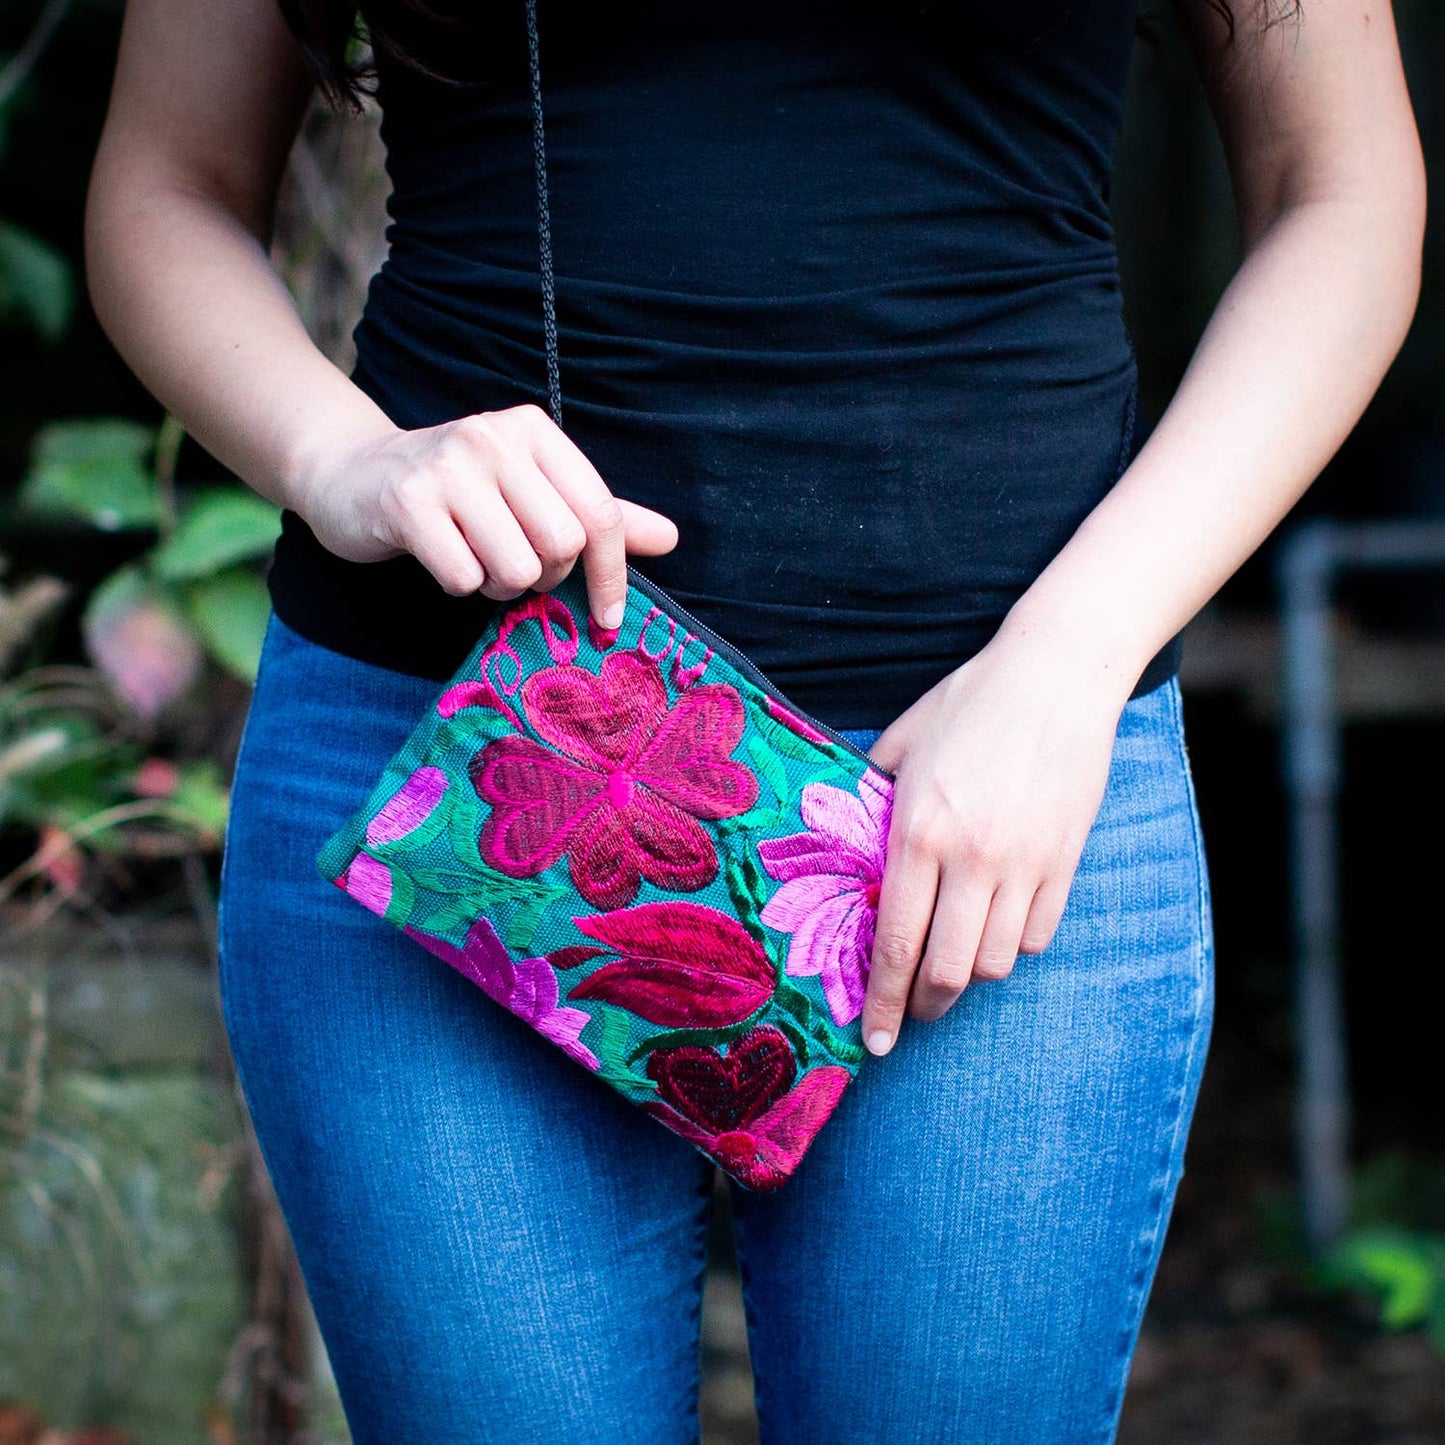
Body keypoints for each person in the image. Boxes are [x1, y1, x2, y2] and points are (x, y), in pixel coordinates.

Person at [83, 0, 1423, 1438]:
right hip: (458, 763)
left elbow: (1339, 193)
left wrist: (1068, 661)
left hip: (998, 791)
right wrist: (341, 452)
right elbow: (165, 185)